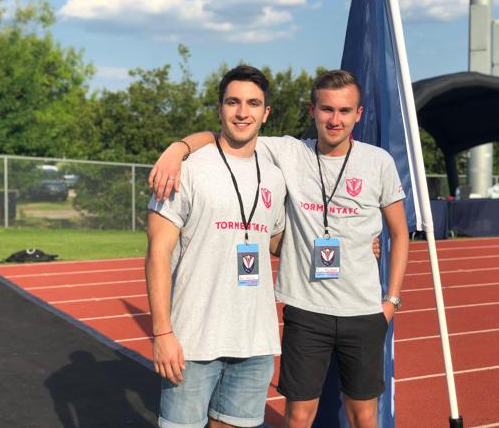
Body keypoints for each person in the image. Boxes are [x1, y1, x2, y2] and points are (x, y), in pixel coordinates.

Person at [150, 69, 409, 428]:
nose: (335, 119)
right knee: (296, 415)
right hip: (289, 314)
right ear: (311, 110)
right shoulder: (285, 152)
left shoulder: (370, 162)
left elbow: (397, 233)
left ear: (358, 114)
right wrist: (178, 148)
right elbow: (225, 135)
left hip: (333, 317)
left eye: (345, 111)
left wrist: (389, 298)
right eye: (326, 110)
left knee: (364, 414)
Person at [145, 65, 287, 428]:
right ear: (220, 108)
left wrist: (349, 244)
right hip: (193, 340)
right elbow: (158, 252)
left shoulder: (274, 173)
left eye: (253, 103)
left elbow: (274, 241)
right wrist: (162, 333)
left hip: (255, 340)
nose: (243, 112)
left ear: (266, 112)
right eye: (233, 102)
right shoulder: (187, 169)